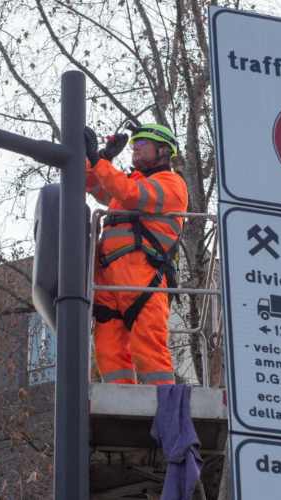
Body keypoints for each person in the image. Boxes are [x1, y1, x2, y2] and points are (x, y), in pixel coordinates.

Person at [84, 124, 188, 385]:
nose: (135, 150)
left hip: (143, 277)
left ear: (163, 151)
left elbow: (131, 195)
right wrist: (104, 156)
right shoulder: (130, 181)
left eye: (142, 146)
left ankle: (167, 410)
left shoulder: (172, 184)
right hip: (109, 278)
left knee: (149, 351)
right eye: (134, 146)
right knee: (108, 351)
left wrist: (99, 161)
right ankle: (121, 407)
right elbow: (89, 183)